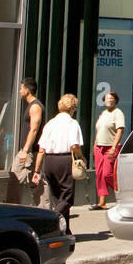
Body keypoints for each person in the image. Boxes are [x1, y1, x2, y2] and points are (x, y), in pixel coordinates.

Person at [32, 94, 85, 234]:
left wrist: (37, 170)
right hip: (64, 160)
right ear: (72, 108)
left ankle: (65, 230)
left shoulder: (50, 123)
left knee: (57, 197)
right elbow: (74, 145)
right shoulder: (72, 123)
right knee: (67, 198)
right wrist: (81, 157)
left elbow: (41, 150)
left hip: (49, 161)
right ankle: (49, 221)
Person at [7, 78, 48, 207]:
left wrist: (25, 150)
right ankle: (44, 209)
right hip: (29, 150)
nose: (19, 91)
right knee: (34, 181)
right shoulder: (32, 105)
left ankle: (12, 208)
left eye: (21, 88)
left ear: (27, 90)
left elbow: (34, 129)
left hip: (30, 151)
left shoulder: (35, 106)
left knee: (19, 179)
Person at [92, 90, 125, 211]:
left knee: (107, 174)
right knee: (99, 174)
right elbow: (99, 130)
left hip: (110, 147)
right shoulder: (103, 113)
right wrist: (95, 144)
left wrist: (114, 147)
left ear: (115, 100)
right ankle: (102, 202)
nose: (109, 100)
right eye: (107, 98)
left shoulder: (118, 113)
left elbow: (120, 130)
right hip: (99, 147)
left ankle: (122, 194)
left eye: (111, 98)